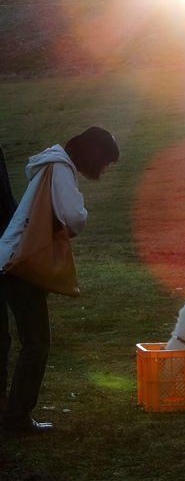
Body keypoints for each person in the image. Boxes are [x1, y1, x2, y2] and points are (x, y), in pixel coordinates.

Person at [0, 127, 119, 434]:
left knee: (17, 340)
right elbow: (74, 217)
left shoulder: (49, 164)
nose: (104, 170)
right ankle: (17, 418)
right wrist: (83, 211)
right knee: (36, 342)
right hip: (21, 265)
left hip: (10, 258)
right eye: (106, 162)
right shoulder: (61, 167)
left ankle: (10, 412)